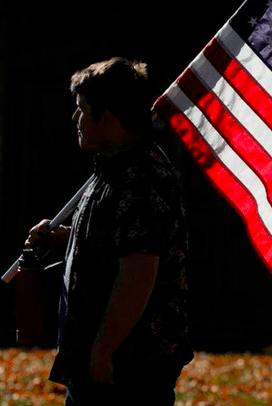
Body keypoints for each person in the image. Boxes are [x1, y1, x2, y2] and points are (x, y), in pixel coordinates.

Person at [22, 57, 193, 405]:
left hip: (128, 370)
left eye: (82, 109)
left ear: (107, 118)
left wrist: (103, 350)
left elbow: (138, 274)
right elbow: (117, 240)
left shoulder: (140, 179)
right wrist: (64, 238)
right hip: (102, 362)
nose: (75, 118)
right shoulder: (114, 168)